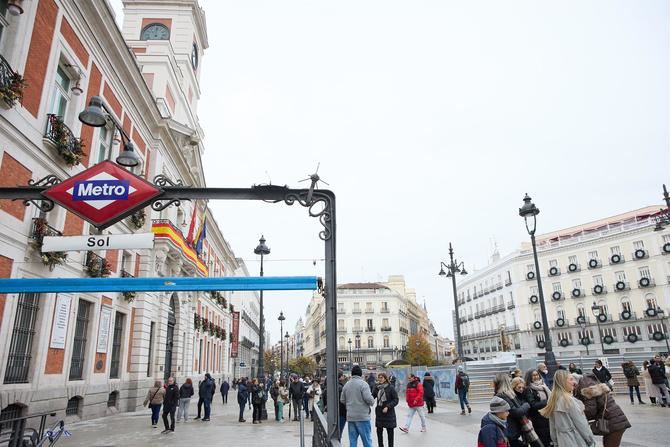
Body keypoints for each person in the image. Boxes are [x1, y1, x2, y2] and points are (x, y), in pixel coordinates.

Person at [539, 370, 595, 447]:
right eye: (571, 379)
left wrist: (555, 442)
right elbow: (581, 424)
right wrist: (591, 440)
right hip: (576, 441)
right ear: (563, 382)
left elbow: (552, 426)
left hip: (562, 441)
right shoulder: (569, 400)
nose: (574, 382)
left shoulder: (552, 399)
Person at [575, 371, 630, 447]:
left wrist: (576, 417)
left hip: (614, 423)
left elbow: (591, 410)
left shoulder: (587, 388)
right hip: (615, 421)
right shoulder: (589, 383)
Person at [341, 365, 375, 447]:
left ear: (352, 374)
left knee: (352, 441)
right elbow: (369, 399)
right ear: (360, 374)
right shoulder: (364, 384)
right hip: (362, 417)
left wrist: (350, 404)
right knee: (367, 441)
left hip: (351, 417)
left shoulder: (346, 385)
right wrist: (372, 401)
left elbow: (342, 400)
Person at [493, 373, 529, 447]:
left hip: (511, 430)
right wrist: (527, 405)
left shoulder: (506, 395)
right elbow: (516, 412)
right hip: (510, 431)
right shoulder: (503, 396)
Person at [521, 369, 551, 447]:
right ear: (529, 377)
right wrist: (547, 402)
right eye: (533, 375)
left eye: (537, 375)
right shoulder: (528, 389)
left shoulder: (544, 386)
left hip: (548, 417)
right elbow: (533, 404)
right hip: (537, 419)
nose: (536, 377)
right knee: (542, 441)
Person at [372, 373, 398, 447]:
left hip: (389, 413)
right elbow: (371, 397)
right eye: (379, 377)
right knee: (379, 432)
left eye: (381, 377)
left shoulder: (391, 387)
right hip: (379, 412)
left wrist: (388, 406)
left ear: (385, 378)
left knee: (390, 432)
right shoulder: (377, 387)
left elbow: (396, 399)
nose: (380, 379)